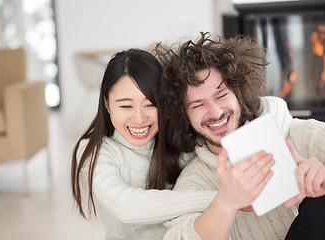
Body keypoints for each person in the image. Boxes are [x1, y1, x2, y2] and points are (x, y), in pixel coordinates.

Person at [70, 48, 275, 240]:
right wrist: (226, 198)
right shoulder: (95, 152)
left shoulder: (182, 140)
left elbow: (267, 107)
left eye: (150, 105)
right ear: (106, 103)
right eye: (126, 106)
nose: (139, 118)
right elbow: (125, 206)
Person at [154, 32, 325, 240]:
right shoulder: (194, 184)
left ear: (238, 94)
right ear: (184, 115)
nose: (216, 112)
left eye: (221, 95)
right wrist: (226, 202)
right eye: (198, 105)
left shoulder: (308, 136)